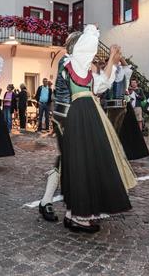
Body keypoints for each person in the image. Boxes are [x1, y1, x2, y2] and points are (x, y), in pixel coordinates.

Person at [61, 25, 136, 233]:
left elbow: (102, 84)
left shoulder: (80, 69)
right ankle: (80, 217)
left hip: (87, 112)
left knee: (86, 161)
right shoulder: (74, 62)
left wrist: (113, 58)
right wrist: (92, 31)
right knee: (84, 161)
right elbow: (86, 48)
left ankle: (73, 213)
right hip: (83, 114)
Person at [39, 32, 82, 222]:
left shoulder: (73, 62)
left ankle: (47, 201)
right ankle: (69, 207)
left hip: (70, 115)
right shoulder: (68, 61)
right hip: (65, 116)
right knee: (70, 158)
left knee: (68, 158)